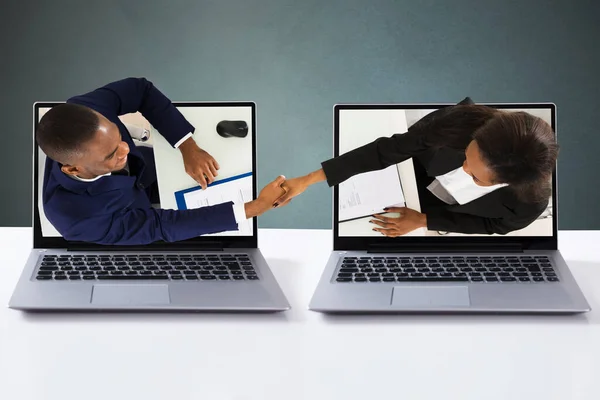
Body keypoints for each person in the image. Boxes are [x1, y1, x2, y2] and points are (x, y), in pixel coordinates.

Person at [37, 77, 289, 245]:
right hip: (131, 218)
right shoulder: (75, 219)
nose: (126, 148)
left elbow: (140, 89)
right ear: (73, 168)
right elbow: (161, 225)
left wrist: (186, 146)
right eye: (112, 154)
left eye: (118, 136)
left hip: (151, 173)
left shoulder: (87, 108)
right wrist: (255, 207)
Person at [275, 97, 558, 236]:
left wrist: (423, 221)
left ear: (506, 183)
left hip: (449, 210)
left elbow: (493, 225)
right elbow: (389, 149)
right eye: (468, 157)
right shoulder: (459, 121)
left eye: (476, 176)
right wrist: (308, 179)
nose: (465, 169)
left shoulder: (529, 202)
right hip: (418, 171)